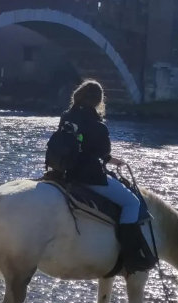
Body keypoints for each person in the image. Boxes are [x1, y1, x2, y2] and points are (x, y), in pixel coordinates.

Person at [45, 79, 157, 272]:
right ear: (98, 101)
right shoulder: (98, 126)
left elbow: (73, 145)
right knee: (132, 203)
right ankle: (130, 255)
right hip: (88, 177)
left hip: (62, 172)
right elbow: (102, 154)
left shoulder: (67, 117)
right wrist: (116, 161)